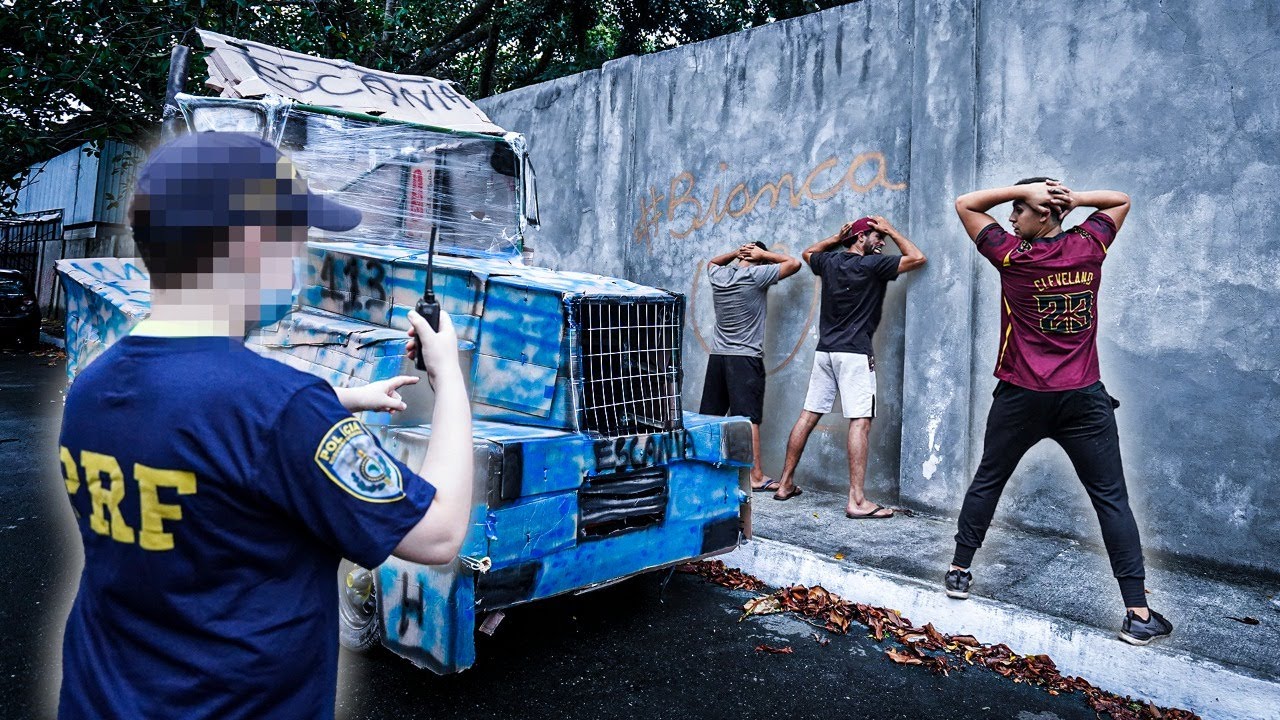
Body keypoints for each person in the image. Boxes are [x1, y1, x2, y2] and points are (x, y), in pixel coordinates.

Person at [55, 132, 474, 719]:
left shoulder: (93, 388)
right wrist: (449, 376)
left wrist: (342, 399)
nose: (299, 259)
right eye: (294, 238)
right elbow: (437, 533)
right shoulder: (283, 411)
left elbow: (199, 424)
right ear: (250, 244)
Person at [949, 177, 1172, 646]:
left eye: (1020, 208)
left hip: (1021, 396)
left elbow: (966, 204)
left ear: (1045, 212)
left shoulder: (1012, 256)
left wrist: (1042, 195)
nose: (1011, 217)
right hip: (1082, 398)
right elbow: (1121, 199)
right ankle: (1137, 614)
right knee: (1111, 499)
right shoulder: (1090, 246)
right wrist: (1075, 199)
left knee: (989, 478)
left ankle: (959, 571)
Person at [772, 216, 926, 519]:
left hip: (825, 353)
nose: (882, 242)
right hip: (854, 354)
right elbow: (917, 258)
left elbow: (808, 253)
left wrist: (835, 238)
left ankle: (785, 483)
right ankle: (856, 501)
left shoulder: (829, 262)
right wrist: (892, 229)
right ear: (860, 238)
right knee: (860, 421)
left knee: (808, 415)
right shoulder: (873, 266)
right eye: (877, 236)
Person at [700, 241, 801, 492]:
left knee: (711, 417)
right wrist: (764, 254)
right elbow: (794, 264)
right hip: (744, 357)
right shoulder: (757, 275)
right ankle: (755, 476)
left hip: (718, 356)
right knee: (748, 419)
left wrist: (735, 253)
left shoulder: (719, 276)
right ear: (760, 260)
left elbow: (711, 262)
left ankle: (706, 469)